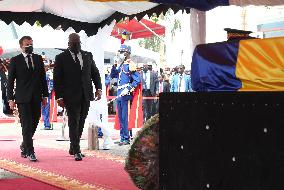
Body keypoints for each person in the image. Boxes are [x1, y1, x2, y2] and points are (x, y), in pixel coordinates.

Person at [53, 33, 102, 161]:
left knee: (81, 121)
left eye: (78, 42)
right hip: (70, 95)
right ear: (68, 43)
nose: (76, 44)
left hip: (86, 94)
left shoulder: (87, 55)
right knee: (73, 121)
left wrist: (99, 89)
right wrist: (59, 97)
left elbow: (95, 73)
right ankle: (77, 150)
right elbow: (57, 79)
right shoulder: (61, 57)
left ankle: (73, 146)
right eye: (73, 42)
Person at [7, 36, 49, 162]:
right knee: (26, 124)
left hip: (36, 96)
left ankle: (24, 144)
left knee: (35, 121)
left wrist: (45, 95)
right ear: (21, 46)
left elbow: (43, 78)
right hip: (22, 98)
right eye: (27, 44)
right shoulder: (15, 60)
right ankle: (30, 151)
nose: (29, 46)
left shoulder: (37, 59)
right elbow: (10, 82)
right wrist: (10, 99)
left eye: (31, 43)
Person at [110, 44, 141, 146]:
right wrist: (115, 64)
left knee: (125, 117)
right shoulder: (121, 64)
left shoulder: (130, 65)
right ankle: (122, 137)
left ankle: (126, 138)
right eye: (120, 52)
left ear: (127, 53)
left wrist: (128, 89)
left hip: (126, 94)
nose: (121, 54)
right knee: (120, 117)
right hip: (119, 93)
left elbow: (137, 80)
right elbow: (113, 75)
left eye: (122, 52)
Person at [41, 62, 53, 130]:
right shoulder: (40, 73)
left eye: (46, 66)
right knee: (43, 110)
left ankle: (47, 125)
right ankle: (46, 124)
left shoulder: (49, 74)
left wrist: (48, 92)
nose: (45, 67)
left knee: (46, 110)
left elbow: (51, 85)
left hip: (46, 95)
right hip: (40, 94)